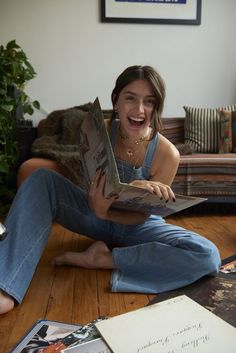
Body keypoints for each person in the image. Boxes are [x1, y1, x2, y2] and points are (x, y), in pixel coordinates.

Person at [0, 65, 220, 315]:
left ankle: (104, 259)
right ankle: (4, 286)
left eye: (149, 102)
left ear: (156, 107)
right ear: (116, 101)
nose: (139, 110)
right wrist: (97, 208)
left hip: (139, 226)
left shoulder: (168, 153)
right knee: (41, 178)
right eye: (130, 98)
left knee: (208, 254)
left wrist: (115, 207)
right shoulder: (99, 129)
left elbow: (141, 216)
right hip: (92, 214)